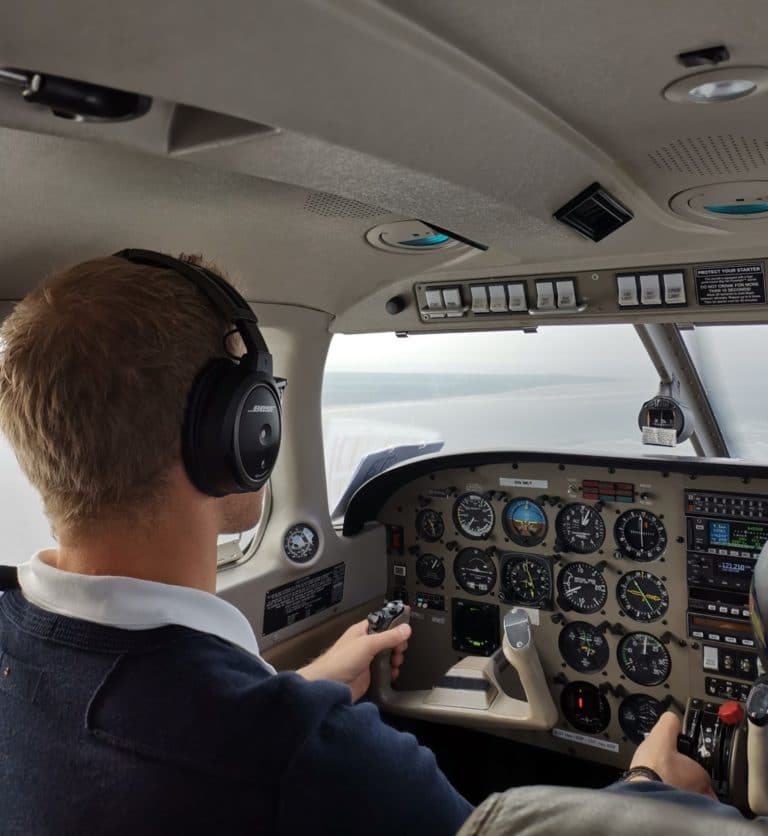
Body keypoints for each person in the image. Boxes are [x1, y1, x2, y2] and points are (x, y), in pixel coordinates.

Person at [0, 252, 472, 835]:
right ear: (241, 434)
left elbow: (165, 720)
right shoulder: (318, 760)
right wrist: (626, 784)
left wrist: (301, 689)